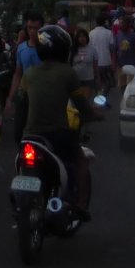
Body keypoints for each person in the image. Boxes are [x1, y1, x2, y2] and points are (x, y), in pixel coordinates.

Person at [19, 23, 92, 215]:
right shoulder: (67, 73)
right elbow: (82, 105)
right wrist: (94, 115)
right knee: (80, 159)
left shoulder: (29, 74)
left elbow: (20, 106)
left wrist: (20, 135)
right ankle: (81, 205)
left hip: (29, 136)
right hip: (56, 134)